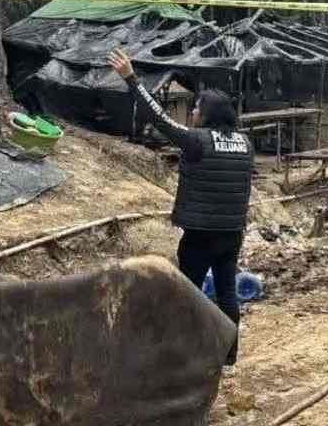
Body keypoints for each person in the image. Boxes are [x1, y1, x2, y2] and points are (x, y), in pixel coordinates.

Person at [107, 48, 252, 367]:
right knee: (227, 292)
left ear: (208, 114)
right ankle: (228, 352)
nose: (193, 113)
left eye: (197, 107)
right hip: (232, 233)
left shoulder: (198, 140)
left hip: (200, 235)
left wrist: (131, 79)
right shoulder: (245, 143)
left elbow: (158, 117)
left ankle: (181, 354)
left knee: (187, 293)